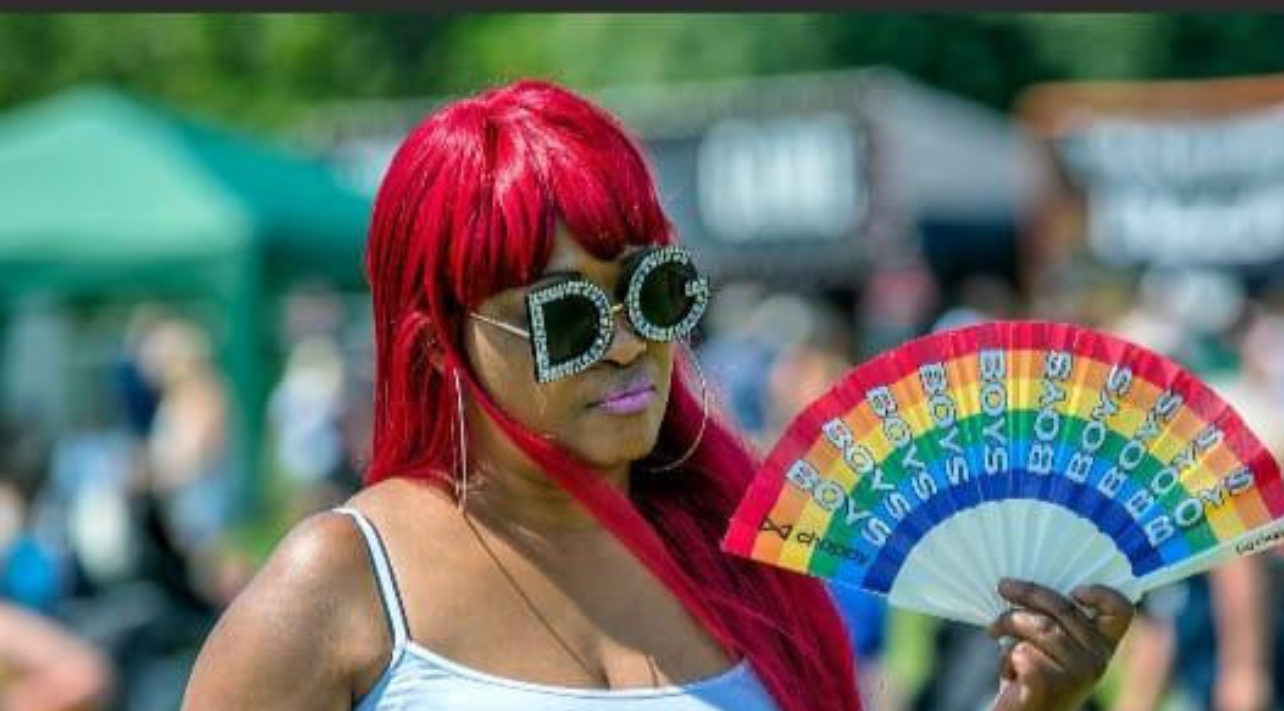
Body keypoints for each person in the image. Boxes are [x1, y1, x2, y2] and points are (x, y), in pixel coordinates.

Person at [182, 79, 1133, 711]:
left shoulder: (742, 557)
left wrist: (1027, 701)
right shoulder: (343, 583)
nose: (631, 340)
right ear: (440, 347)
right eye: (567, 317)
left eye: (654, 288)